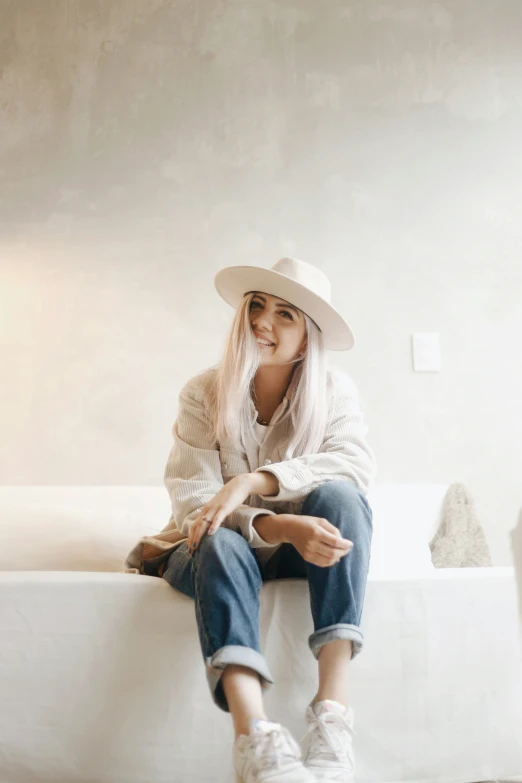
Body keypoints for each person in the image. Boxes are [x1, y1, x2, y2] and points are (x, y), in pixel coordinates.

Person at [160, 257, 377, 782]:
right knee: (216, 539)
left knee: (343, 499)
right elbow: (195, 503)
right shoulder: (203, 393)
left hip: (310, 552)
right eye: (256, 306)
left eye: (285, 314)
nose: (263, 321)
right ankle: (254, 737)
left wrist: (255, 481)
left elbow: (353, 463)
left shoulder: (334, 390)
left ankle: (332, 711)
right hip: (224, 551)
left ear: (307, 339)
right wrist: (277, 525)